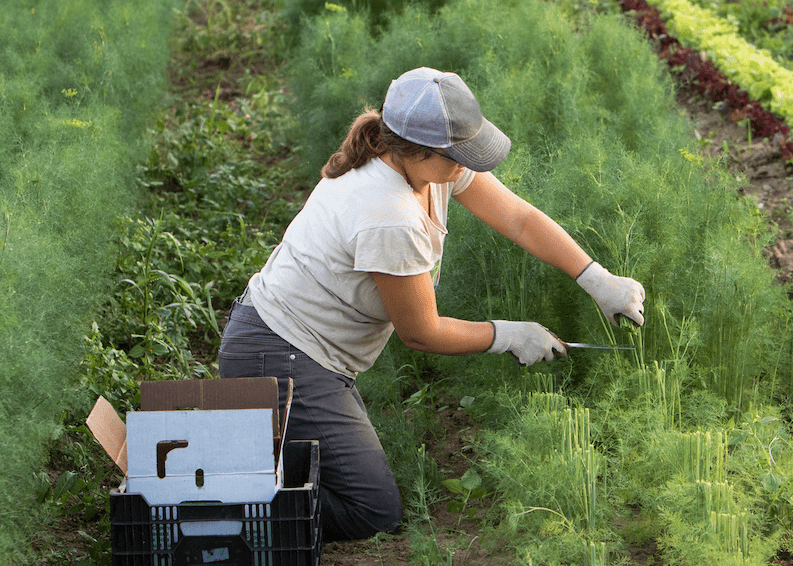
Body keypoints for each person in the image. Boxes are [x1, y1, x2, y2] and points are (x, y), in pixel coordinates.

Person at [217, 67, 646, 539]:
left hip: (296, 348)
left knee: (324, 470)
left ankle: (256, 474)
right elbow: (421, 331)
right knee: (372, 508)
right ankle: (226, 525)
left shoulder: (425, 166)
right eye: (458, 157)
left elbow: (519, 219)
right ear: (416, 151)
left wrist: (597, 278)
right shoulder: (389, 212)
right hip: (281, 353)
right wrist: (510, 335)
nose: (468, 166)